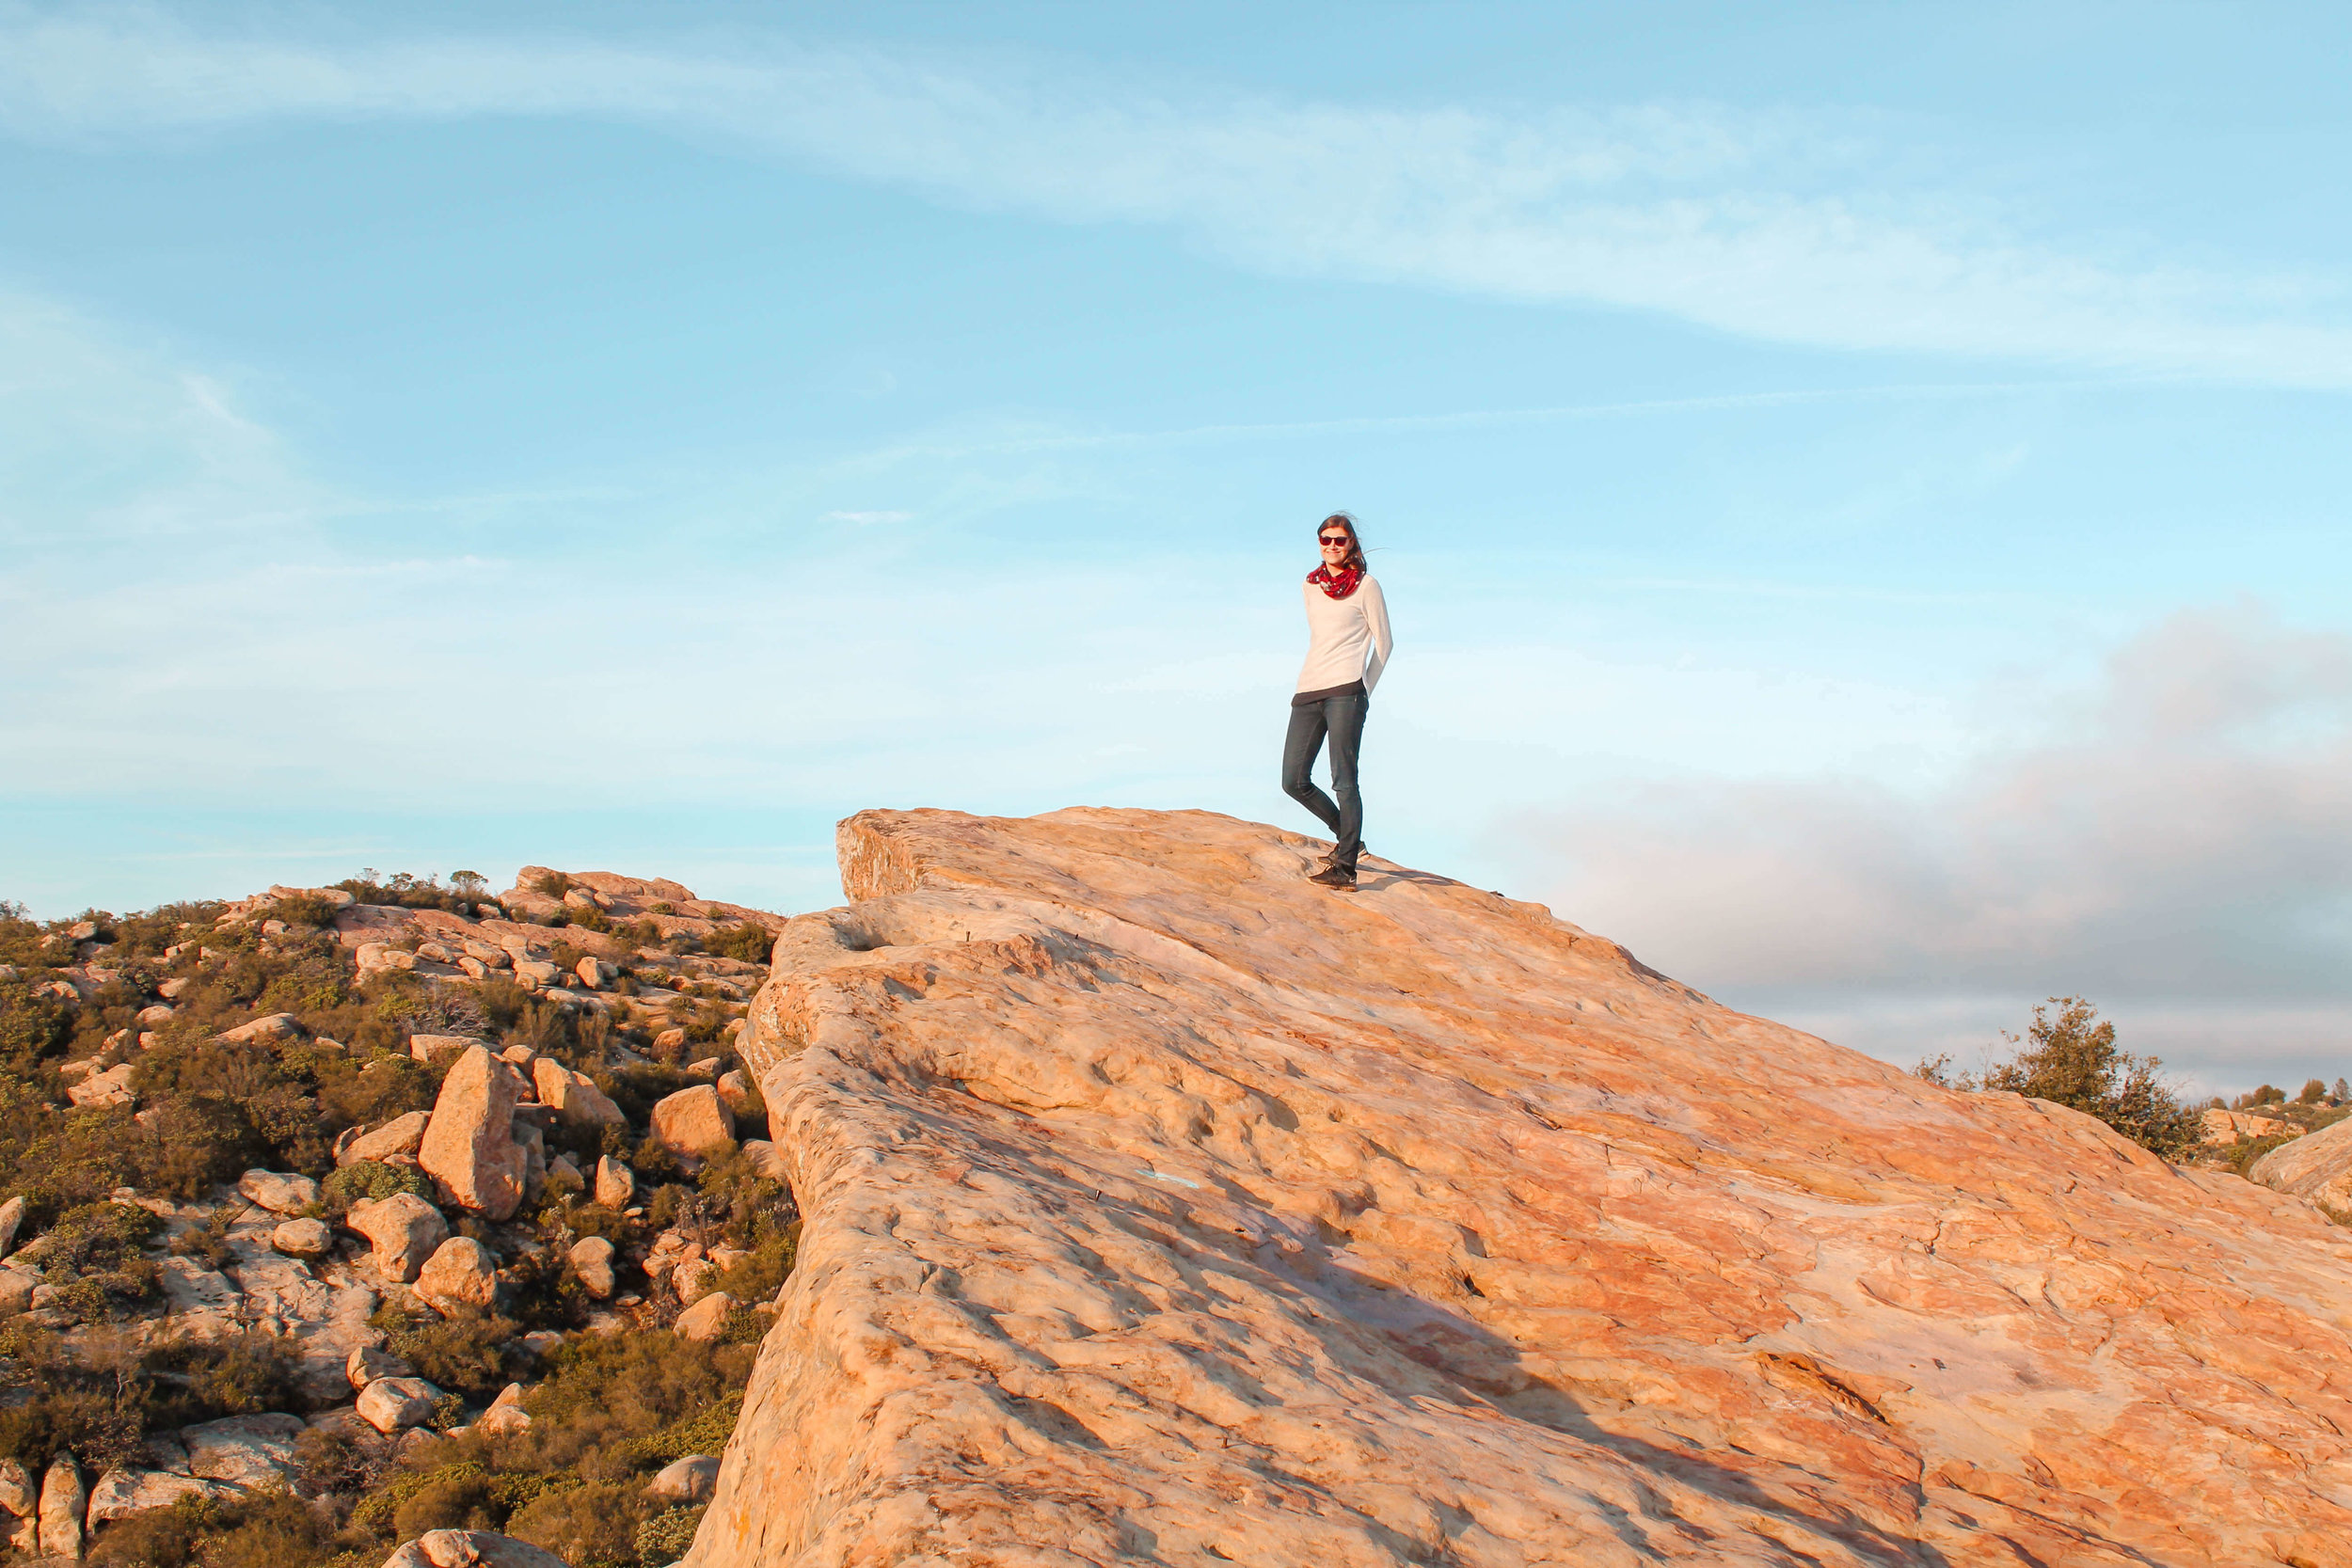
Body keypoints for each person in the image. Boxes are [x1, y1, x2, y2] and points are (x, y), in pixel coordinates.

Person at [1282, 513, 1391, 891]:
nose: (1332, 546)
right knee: (1293, 781)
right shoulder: (1309, 586)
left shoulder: (1367, 586)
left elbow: (1385, 643)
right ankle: (1350, 839)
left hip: (1347, 691)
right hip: (1308, 690)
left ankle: (1345, 869)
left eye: (1339, 540)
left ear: (1351, 545)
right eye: (1325, 539)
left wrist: (1364, 689)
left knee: (1344, 781)